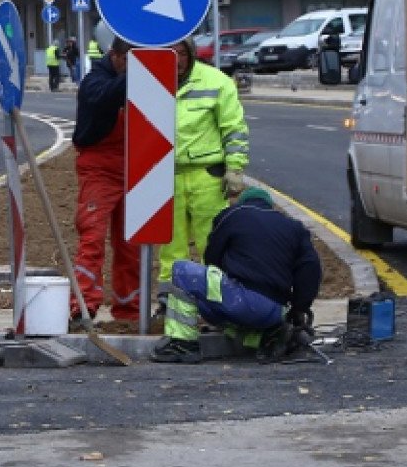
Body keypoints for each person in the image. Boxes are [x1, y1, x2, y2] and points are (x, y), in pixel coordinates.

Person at [154, 187, 320, 364]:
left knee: (182, 270)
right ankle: (267, 336)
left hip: (241, 300)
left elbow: (212, 257)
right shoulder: (294, 227)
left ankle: (182, 344)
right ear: (269, 207)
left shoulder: (233, 215)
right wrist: (298, 308)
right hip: (274, 311)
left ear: (244, 203)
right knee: (213, 307)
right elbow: (311, 269)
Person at [158, 38, 251, 287]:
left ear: (191, 53)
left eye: (180, 53)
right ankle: (172, 301)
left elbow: (234, 129)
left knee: (213, 244)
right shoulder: (151, 81)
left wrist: (235, 168)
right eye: (169, 54)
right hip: (165, 176)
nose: (175, 60)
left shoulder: (216, 81)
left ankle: (217, 301)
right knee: (170, 247)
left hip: (207, 176)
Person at [70, 23, 141, 324]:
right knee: (93, 238)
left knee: (132, 244)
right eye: (128, 62)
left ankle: (129, 309)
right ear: (115, 56)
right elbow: (104, 97)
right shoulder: (94, 81)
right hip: (99, 167)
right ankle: (82, 306)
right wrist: (134, 75)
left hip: (136, 167)